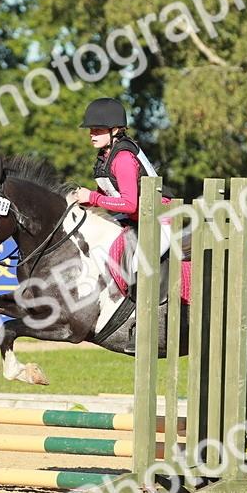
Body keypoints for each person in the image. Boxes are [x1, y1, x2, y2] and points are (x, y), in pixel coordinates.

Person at [74, 97, 166, 354]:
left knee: (138, 262)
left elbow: (130, 203)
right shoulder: (105, 156)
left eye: (98, 129)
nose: (92, 134)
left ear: (115, 130)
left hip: (160, 218)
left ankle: (143, 325)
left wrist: (91, 198)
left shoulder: (123, 157)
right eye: (91, 129)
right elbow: (108, 194)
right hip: (134, 220)